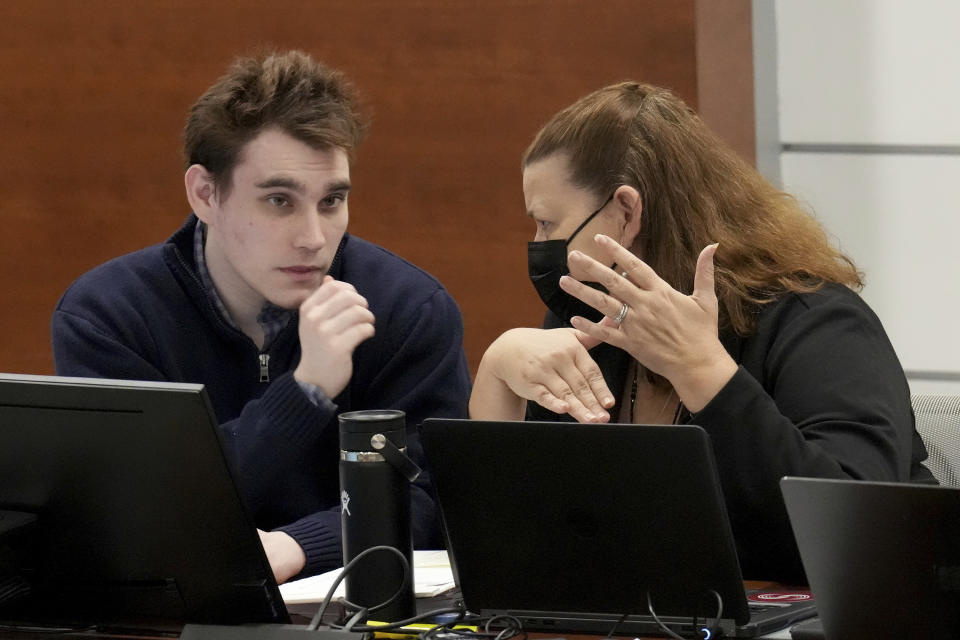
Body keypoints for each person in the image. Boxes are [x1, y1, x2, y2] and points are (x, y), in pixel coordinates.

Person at [470, 81, 934, 583]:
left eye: (546, 223)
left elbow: (853, 531)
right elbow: (512, 543)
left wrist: (703, 371)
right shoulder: (592, 322)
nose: (539, 244)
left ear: (626, 212)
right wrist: (498, 371)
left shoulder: (816, 320)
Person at [51, 50, 471, 583]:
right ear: (206, 193)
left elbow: (431, 501)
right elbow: (141, 508)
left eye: (332, 200)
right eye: (278, 200)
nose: (313, 238)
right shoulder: (108, 315)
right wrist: (306, 391)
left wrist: (298, 546)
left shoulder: (407, 309)